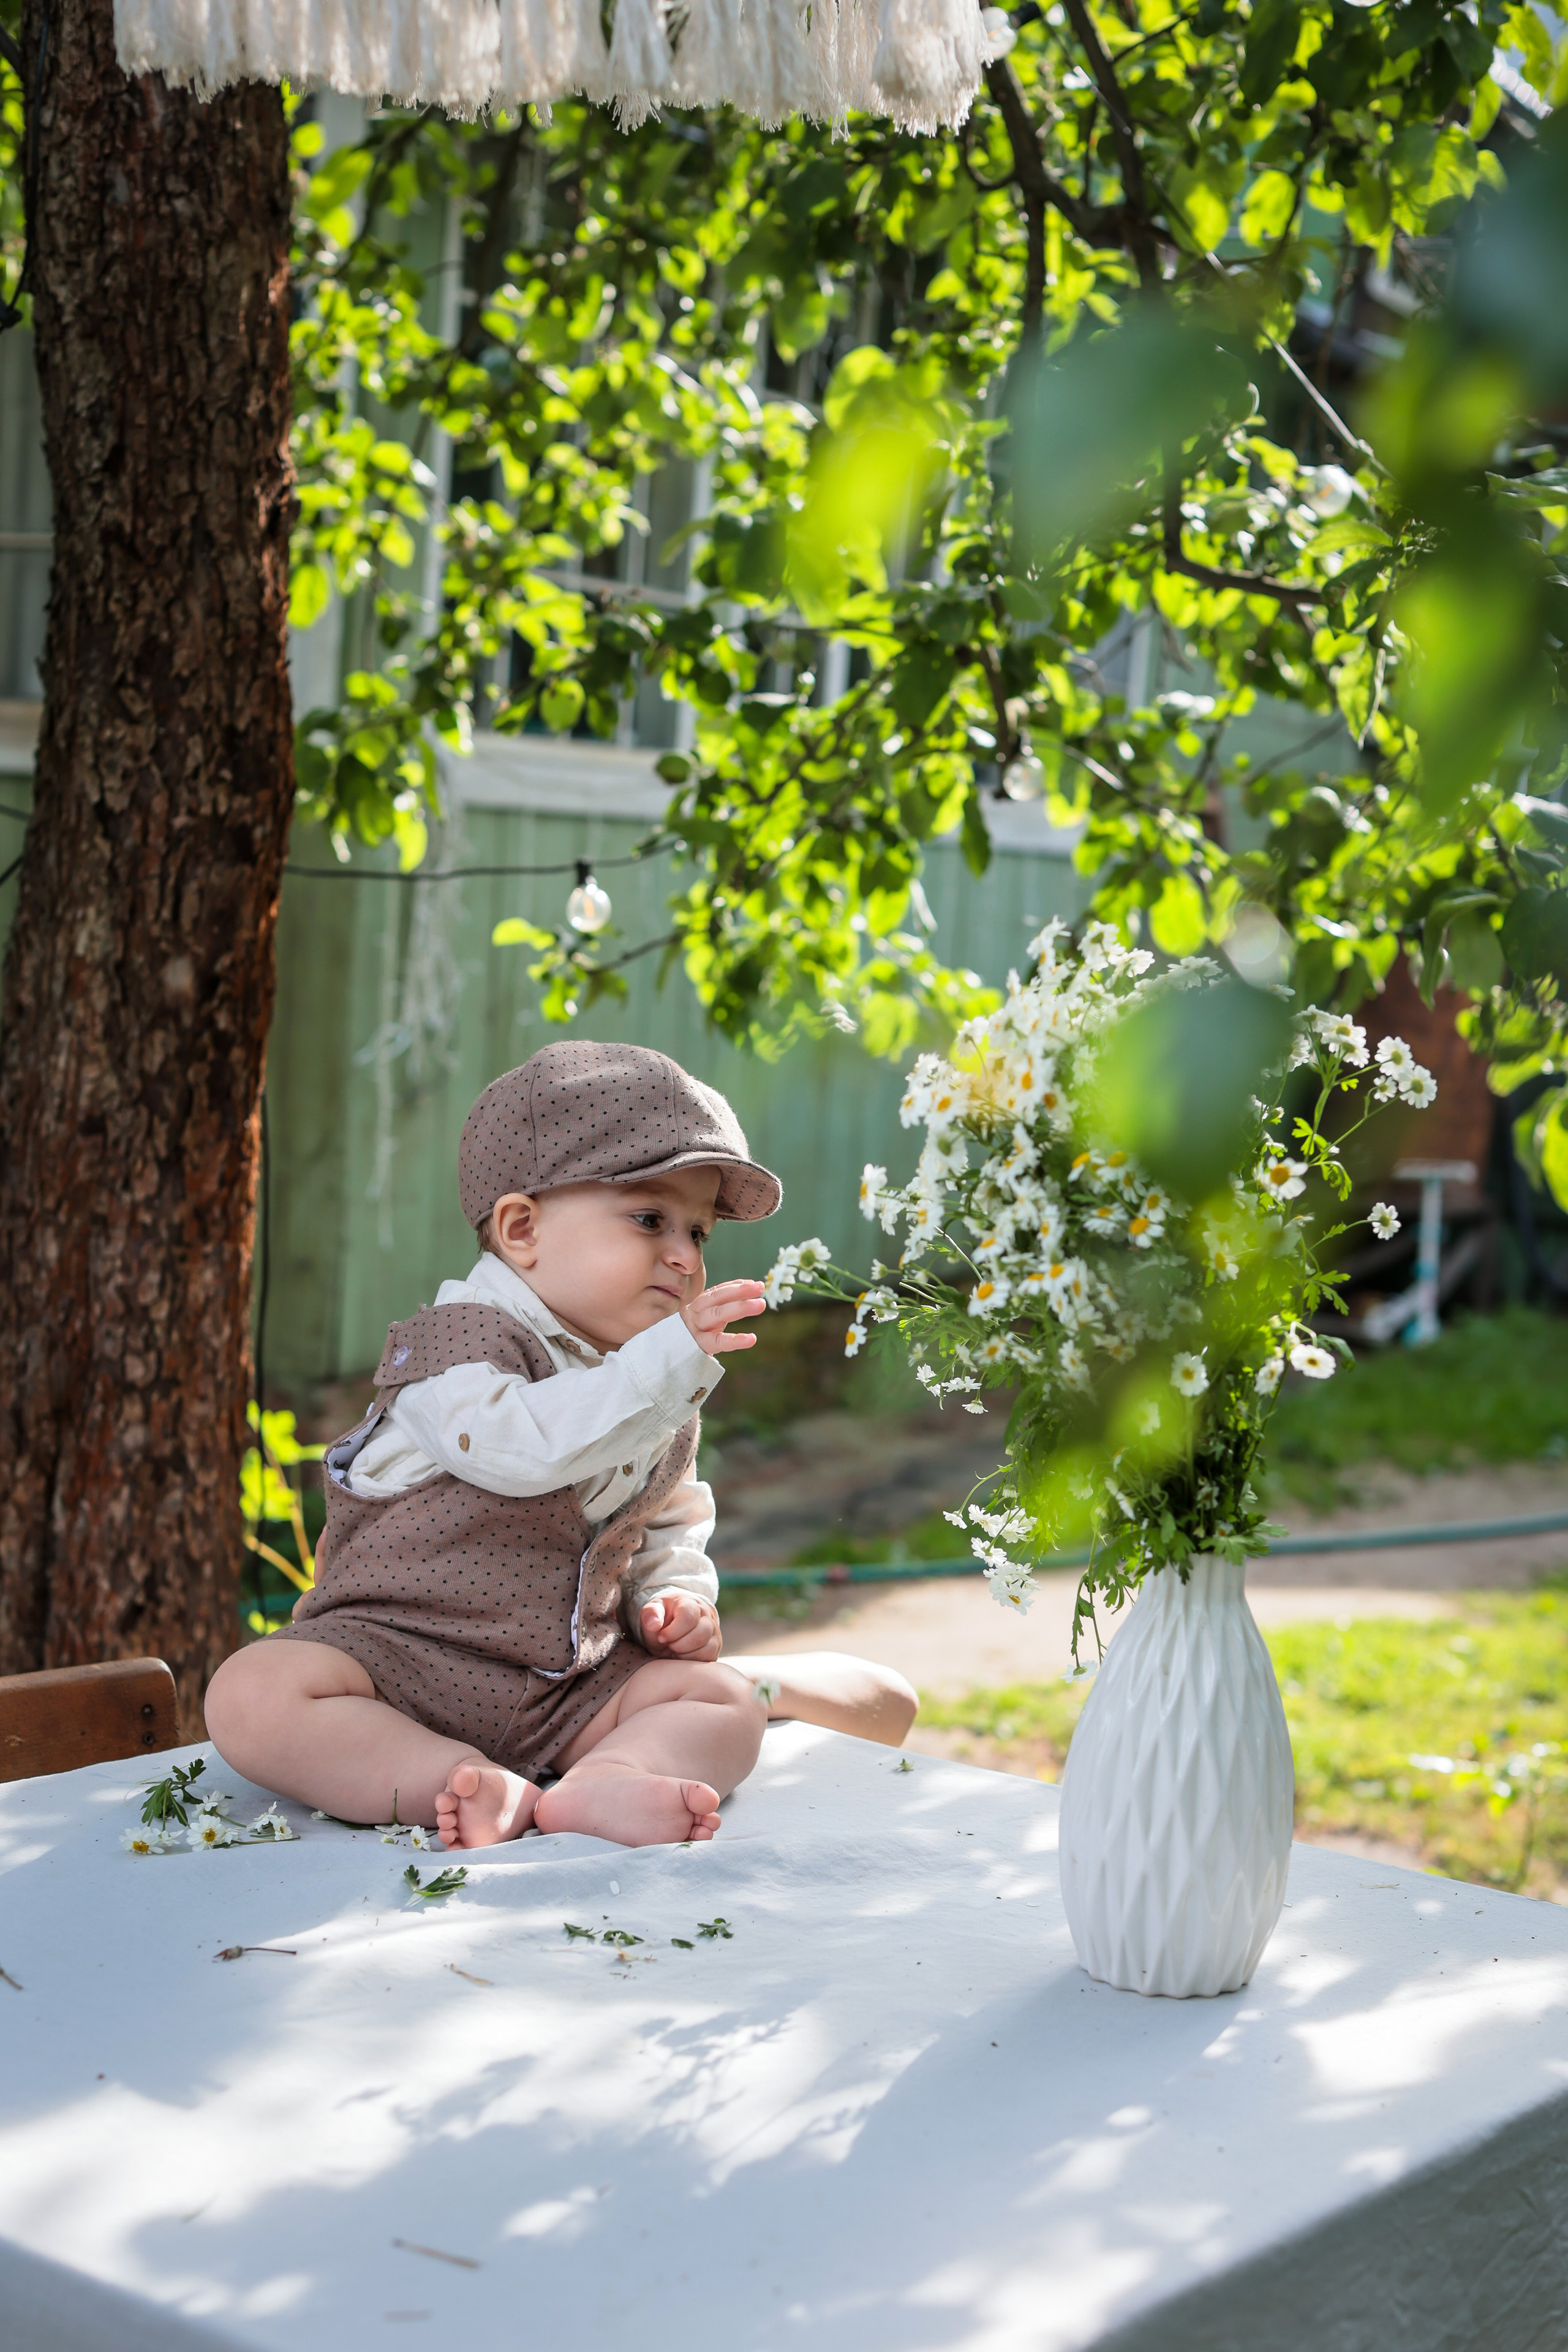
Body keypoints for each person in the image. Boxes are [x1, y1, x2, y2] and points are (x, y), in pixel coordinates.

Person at [206, 1041, 916, 1849]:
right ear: (521, 1230)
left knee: (722, 1703)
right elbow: (526, 1448)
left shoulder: (650, 1384)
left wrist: (677, 1599)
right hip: (390, 1670)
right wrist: (663, 1365)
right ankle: (455, 1782)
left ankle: (609, 1779)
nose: (685, 1256)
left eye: (700, 1231)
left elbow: (671, 1513)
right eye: (651, 1219)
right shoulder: (459, 1352)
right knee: (251, 1693)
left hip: (567, 1687)